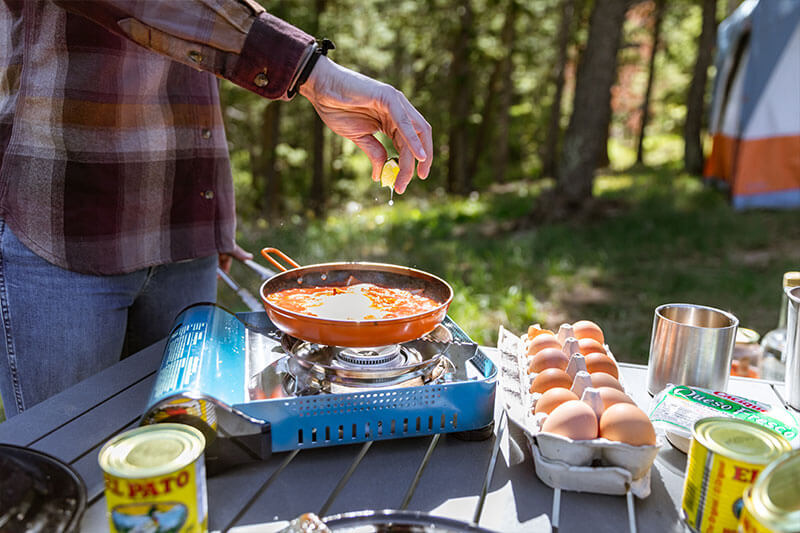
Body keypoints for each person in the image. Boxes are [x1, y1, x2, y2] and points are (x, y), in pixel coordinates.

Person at [0, 1, 432, 419]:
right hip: (62, 229)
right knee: (70, 465)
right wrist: (307, 70)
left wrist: (215, 215)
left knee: (182, 446)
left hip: (184, 232)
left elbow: (195, 53)